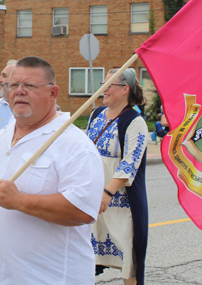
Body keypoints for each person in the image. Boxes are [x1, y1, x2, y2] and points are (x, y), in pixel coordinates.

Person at [0, 56, 104, 284]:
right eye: (13, 85)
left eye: (29, 86)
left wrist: (19, 200)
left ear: (53, 93)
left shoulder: (74, 145)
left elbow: (83, 209)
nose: (19, 91)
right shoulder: (3, 135)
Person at [86, 68, 149, 285]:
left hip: (121, 204)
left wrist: (107, 192)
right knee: (86, 257)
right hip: (93, 201)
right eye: (103, 83)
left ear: (125, 89)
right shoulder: (95, 116)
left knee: (128, 263)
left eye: (109, 84)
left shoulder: (135, 121)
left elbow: (130, 163)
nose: (104, 89)